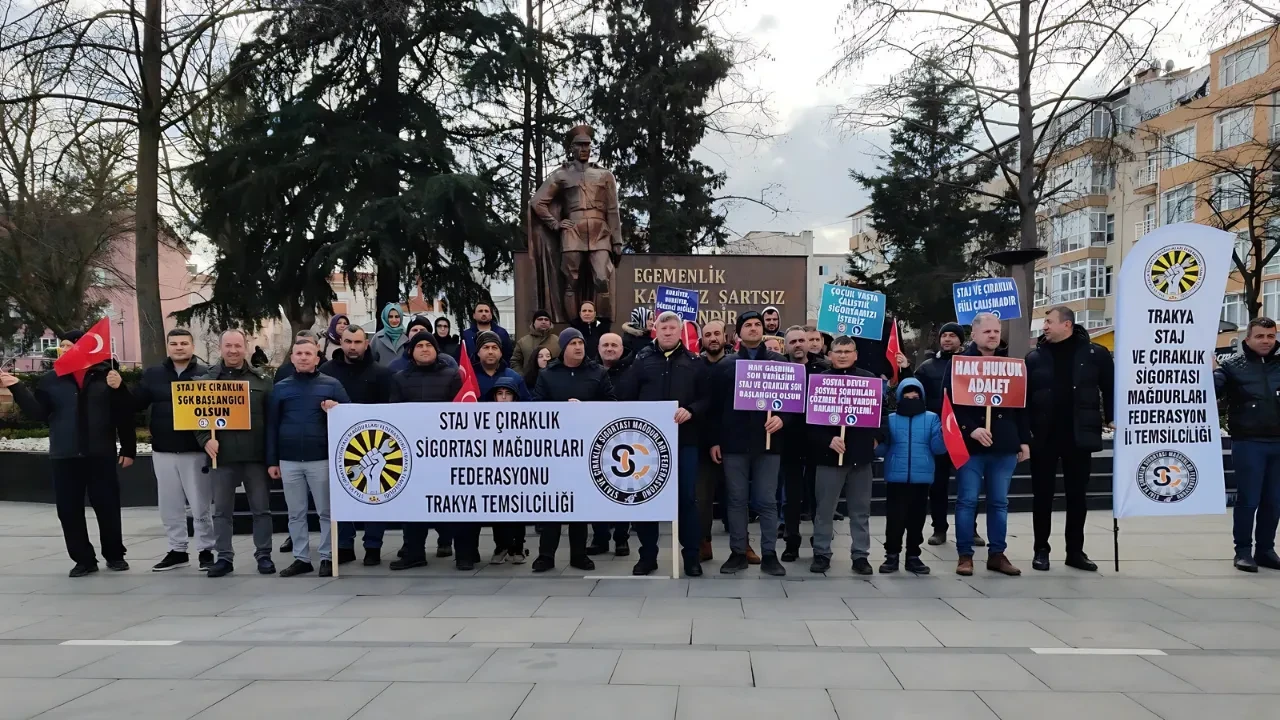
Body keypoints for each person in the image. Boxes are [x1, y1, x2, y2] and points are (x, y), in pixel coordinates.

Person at [0, 331, 134, 578]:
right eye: (60, 345)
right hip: (65, 454)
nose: (63, 349)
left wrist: (128, 447)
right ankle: (83, 559)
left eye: (69, 345)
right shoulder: (51, 380)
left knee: (107, 506)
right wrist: (17, 388)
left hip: (100, 453)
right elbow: (39, 413)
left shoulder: (107, 375)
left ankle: (115, 555)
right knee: (69, 510)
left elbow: (125, 413)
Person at [617, 311, 707, 576]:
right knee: (647, 500)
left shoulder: (694, 362)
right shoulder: (641, 362)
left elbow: (707, 399)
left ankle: (691, 556)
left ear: (680, 331)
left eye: (672, 328)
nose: (667, 332)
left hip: (685, 442)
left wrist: (691, 409)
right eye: (663, 328)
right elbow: (626, 398)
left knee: (687, 500)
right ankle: (648, 556)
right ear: (655, 330)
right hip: (647, 446)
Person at [1025, 306, 1114, 572]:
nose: (1045, 327)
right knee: (1042, 495)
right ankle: (1041, 549)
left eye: (1049, 322)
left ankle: (1075, 551)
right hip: (1044, 436)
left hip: (1079, 436)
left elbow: (1110, 388)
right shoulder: (1034, 357)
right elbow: (1024, 397)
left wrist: (1112, 417)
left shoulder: (1095, 354)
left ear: (1067, 325)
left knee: (1077, 496)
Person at [709, 310, 793, 576]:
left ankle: (769, 554)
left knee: (767, 501)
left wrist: (783, 419)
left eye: (758, 324)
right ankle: (737, 552)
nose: (754, 328)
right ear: (738, 333)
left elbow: (794, 403)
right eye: (748, 325)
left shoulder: (780, 363)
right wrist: (714, 441)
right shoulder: (725, 365)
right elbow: (714, 407)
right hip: (734, 444)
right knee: (735, 499)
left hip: (769, 444)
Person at [531, 327, 616, 572]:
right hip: (555, 450)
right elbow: (536, 406)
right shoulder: (548, 374)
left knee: (579, 505)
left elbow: (612, 404)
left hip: (586, 448)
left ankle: (578, 555)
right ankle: (545, 555)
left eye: (581, 342)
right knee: (553, 506)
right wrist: (561, 409)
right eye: (573, 343)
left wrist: (586, 408)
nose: (578, 347)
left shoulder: (597, 372)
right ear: (563, 348)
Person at [949, 313, 1026, 577]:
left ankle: (997, 554)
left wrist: (1023, 440)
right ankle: (965, 555)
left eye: (996, 331)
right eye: (987, 331)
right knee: (967, 501)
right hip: (971, 447)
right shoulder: (959, 364)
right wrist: (971, 429)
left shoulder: (1011, 365)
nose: (993, 335)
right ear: (974, 334)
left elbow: (1021, 406)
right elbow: (949, 406)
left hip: (1003, 445)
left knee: (999, 502)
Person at [267, 337, 349, 578]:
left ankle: (326, 556)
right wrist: (272, 460)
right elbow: (272, 425)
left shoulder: (332, 385)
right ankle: (301, 558)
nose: (303, 357)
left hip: (321, 458)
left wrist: (336, 408)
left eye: (308, 353)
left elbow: (350, 415)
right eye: (298, 353)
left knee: (326, 511)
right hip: (289, 460)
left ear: (317, 358)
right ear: (292, 357)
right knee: (296, 512)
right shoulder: (281, 388)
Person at [197, 329, 276, 578]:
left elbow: (272, 420)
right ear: (221, 348)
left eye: (237, 346)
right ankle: (224, 557)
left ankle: (264, 555)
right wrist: (204, 441)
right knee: (221, 512)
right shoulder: (205, 381)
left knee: (261, 510)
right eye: (228, 346)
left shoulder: (262, 380)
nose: (233, 350)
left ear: (246, 347)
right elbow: (195, 419)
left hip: (255, 457)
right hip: (223, 458)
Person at [388, 331, 469, 570]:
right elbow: (394, 413)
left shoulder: (453, 376)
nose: (424, 349)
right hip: (413, 453)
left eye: (429, 345)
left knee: (456, 505)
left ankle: (463, 554)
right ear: (411, 352)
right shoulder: (400, 378)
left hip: (447, 453)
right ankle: (414, 552)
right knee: (413, 505)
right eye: (419, 345)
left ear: (436, 350)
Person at [134, 328, 213, 572]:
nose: (179, 347)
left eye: (184, 343)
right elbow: (136, 403)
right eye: (174, 343)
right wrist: (117, 388)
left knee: (201, 504)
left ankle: (206, 549)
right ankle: (177, 549)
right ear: (168, 346)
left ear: (192, 347)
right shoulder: (153, 374)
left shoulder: (207, 374)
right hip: (163, 450)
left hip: (196, 451)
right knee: (169, 504)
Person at [804, 337, 881, 574]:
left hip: (860, 457)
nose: (843, 355)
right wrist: (828, 439)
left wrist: (877, 436)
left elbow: (881, 415)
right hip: (828, 457)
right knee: (824, 510)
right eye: (839, 351)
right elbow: (808, 424)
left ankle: (860, 555)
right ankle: (821, 553)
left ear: (855, 354)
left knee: (860, 510)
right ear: (830, 354)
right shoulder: (818, 381)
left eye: (848, 351)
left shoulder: (869, 380)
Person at [319, 326, 393, 566]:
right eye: (348, 341)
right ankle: (344, 544)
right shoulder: (326, 372)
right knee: (340, 497)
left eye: (358, 342)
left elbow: (389, 410)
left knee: (374, 496)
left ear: (366, 344)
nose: (353, 347)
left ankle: (373, 546)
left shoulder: (381, 374)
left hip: (372, 445)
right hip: (336, 444)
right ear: (340, 342)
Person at [1215, 317, 1280, 572]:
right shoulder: (1232, 367)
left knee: (1274, 501)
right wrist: (1211, 372)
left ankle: (1265, 550)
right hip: (1249, 442)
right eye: (1260, 336)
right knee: (1248, 499)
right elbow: (1211, 391)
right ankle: (1242, 551)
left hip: (1278, 443)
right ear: (1248, 339)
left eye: (1270, 336)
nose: (1266, 341)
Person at [915, 322, 979, 547]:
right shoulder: (927, 367)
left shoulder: (972, 365)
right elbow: (916, 395)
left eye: (953, 335)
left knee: (969, 485)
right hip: (939, 434)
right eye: (944, 335)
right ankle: (939, 528)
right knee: (938, 485)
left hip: (967, 434)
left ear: (961, 340)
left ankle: (971, 530)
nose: (948, 339)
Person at [874, 377, 945, 575]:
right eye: (907, 396)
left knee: (916, 519)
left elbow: (938, 449)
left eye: (916, 396)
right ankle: (892, 555)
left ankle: (913, 555)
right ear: (900, 397)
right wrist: (872, 442)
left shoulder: (932, 418)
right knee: (895, 519)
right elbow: (882, 449)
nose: (912, 399)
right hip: (896, 477)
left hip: (921, 478)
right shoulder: (892, 419)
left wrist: (943, 435)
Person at [779, 326, 828, 562]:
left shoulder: (824, 369)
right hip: (789, 440)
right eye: (793, 341)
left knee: (818, 493)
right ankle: (792, 542)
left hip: (818, 441)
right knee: (792, 496)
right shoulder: (779, 370)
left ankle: (819, 542)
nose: (798, 344)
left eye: (802, 340)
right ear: (786, 346)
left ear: (809, 343)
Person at [587, 331, 634, 556]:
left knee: (623, 491)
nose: (609, 349)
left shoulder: (634, 371)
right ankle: (600, 537)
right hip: (595, 439)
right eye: (605, 344)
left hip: (625, 440)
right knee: (597, 491)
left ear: (622, 349)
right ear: (598, 348)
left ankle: (622, 538)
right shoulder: (590, 372)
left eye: (614, 345)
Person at [484, 376, 530, 565]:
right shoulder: (484, 420)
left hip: (518, 473)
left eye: (508, 394)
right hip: (495, 472)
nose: (503, 398)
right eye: (500, 394)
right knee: (497, 510)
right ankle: (501, 546)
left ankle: (517, 547)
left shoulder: (527, 420)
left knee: (518, 510)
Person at [696, 320, 728, 563]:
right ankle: (703, 542)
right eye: (708, 335)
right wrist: (712, 440)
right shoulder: (696, 368)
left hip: (736, 442)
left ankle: (742, 544)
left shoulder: (738, 365)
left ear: (725, 337)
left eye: (717, 333)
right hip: (705, 443)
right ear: (702, 340)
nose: (713, 338)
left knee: (738, 497)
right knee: (703, 498)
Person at [474, 330, 532, 401]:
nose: (490, 352)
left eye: (494, 348)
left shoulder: (514, 377)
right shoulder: (469, 377)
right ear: (478, 352)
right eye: (486, 347)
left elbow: (526, 406)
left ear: (501, 353)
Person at [511, 309, 561, 376]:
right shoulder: (523, 342)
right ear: (534, 323)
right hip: (529, 382)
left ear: (550, 323)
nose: (543, 322)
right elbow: (515, 361)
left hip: (553, 380)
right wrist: (521, 377)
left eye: (546, 320)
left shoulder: (557, 340)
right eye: (540, 319)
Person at [371, 303, 407, 368]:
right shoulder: (377, 338)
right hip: (382, 377)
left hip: (403, 377)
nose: (394, 320)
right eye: (390, 317)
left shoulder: (407, 337)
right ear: (385, 318)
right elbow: (370, 361)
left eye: (397, 316)